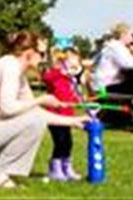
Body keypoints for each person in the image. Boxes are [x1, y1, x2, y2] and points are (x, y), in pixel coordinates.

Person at [0, 32, 90, 189]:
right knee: (33, 124)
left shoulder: (17, 72)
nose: (43, 59)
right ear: (29, 53)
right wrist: (41, 99)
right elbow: (7, 108)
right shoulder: (10, 66)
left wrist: (73, 121)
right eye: (41, 54)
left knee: (31, 120)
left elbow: (34, 112)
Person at [39, 49, 86, 182]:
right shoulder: (55, 75)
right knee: (59, 142)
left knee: (68, 143)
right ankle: (55, 169)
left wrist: (78, 99)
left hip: (67, 117)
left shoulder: (70, 79)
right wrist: (61, 72)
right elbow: (47, 78)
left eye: (76, 65)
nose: (74, 68)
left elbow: (72, 95)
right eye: (71, 65)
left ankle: (66, 168)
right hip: (54, 115)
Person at [90, 22, 133, 96]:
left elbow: (131, 62)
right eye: (130, 34)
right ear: (123, 35)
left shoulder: (117, 46)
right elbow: (128, 64)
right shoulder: (115, 47)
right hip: (105, 87)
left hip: (108, 85)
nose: (131, 37)